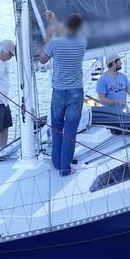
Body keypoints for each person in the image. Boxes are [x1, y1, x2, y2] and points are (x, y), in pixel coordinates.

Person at [39, 10, 87, 176]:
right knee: (70, 130)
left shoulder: (55, 42)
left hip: (59, 91)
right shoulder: (82, 42)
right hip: (75, 92)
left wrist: (46, 39)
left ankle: (57, 163)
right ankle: (65, 168)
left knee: (57, 127)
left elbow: (42, 59)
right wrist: (55, 21)